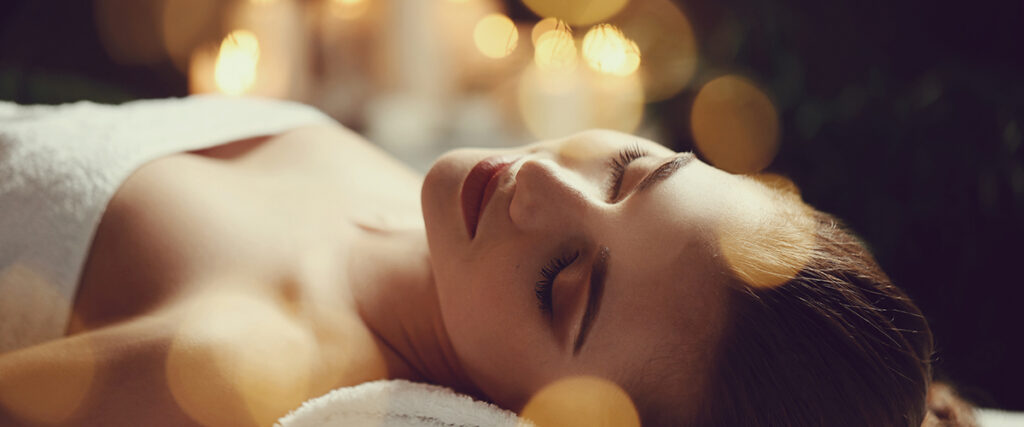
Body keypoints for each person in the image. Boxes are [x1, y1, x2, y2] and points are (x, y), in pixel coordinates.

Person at [0, 97, 973, 426]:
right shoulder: (444, 230)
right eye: (634, 168)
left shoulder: (240, 361)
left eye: (563, 286)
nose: (541, 188)